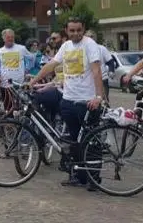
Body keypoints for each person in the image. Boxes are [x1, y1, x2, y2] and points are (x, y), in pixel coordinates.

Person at [29, 17, 105, 190]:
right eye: (72, 30)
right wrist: (34, 81)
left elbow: (96, 70)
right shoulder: (65, 46)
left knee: (90, 142)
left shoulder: (89, 44)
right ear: (67, 31)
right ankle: (79, 176)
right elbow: (51, 65)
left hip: (87, 101)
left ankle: (94, 179)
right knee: (74, 141)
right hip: (68, 100)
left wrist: (98, 97)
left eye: (79, 30)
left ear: (83, 29)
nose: (76, 33)